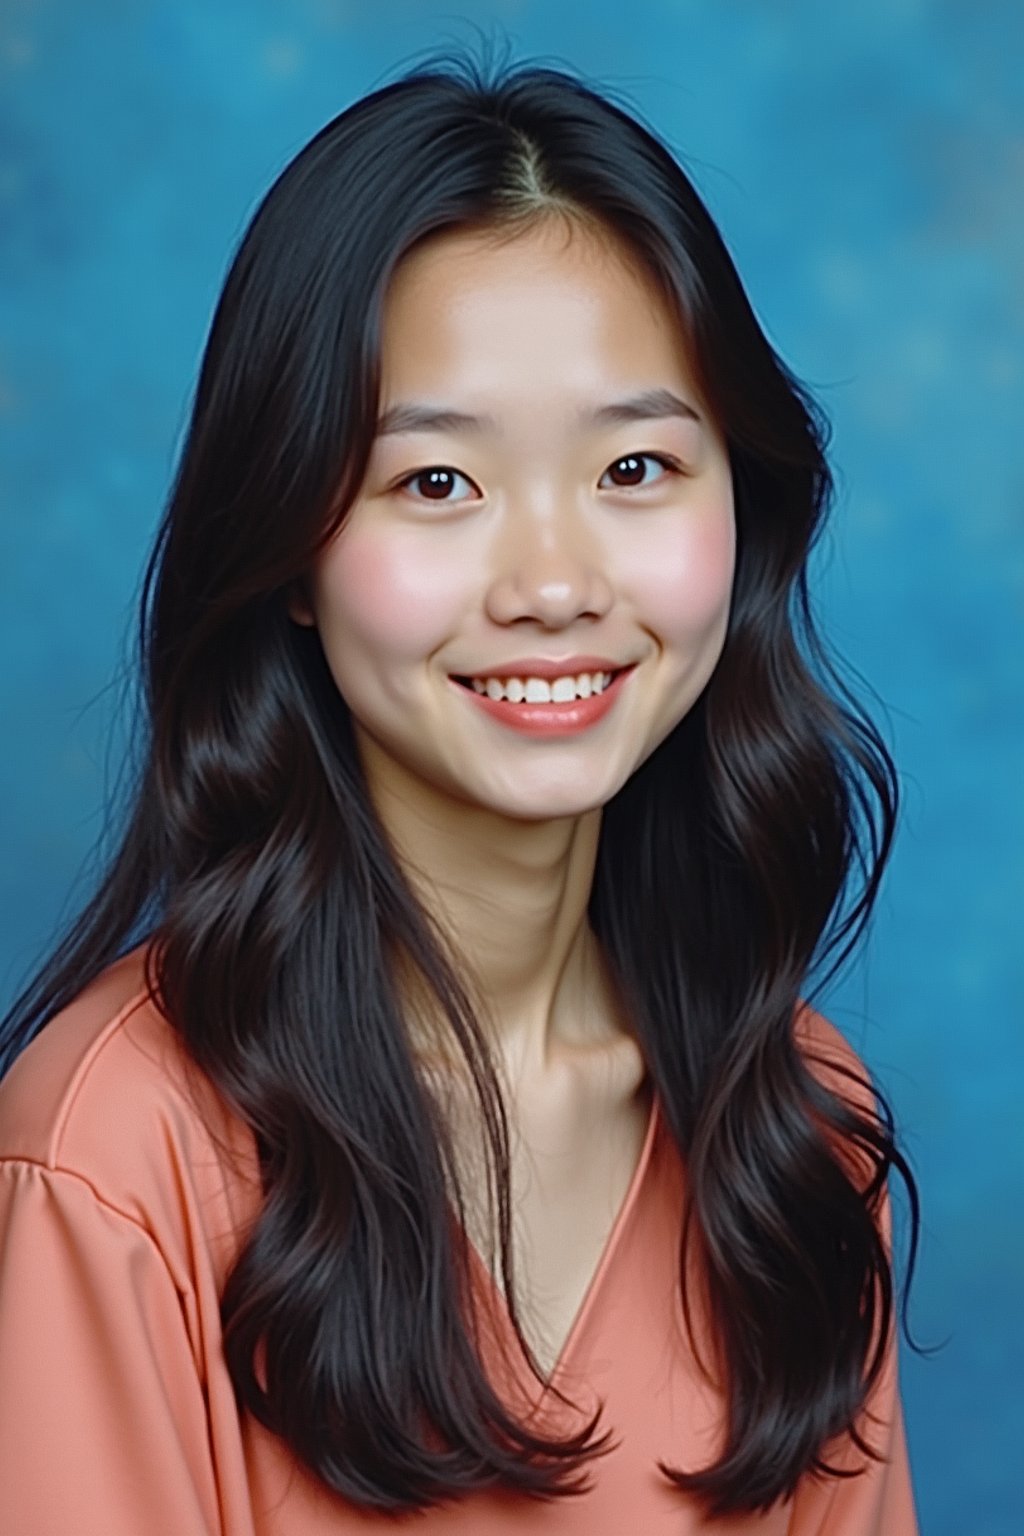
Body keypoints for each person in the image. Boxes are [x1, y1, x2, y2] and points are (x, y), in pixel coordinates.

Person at [0, 46, 921, 1534]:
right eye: (438, 484)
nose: (555, 583)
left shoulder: (799, 1126)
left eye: (635, 468)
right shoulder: (115, 1155)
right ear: (291, 546)